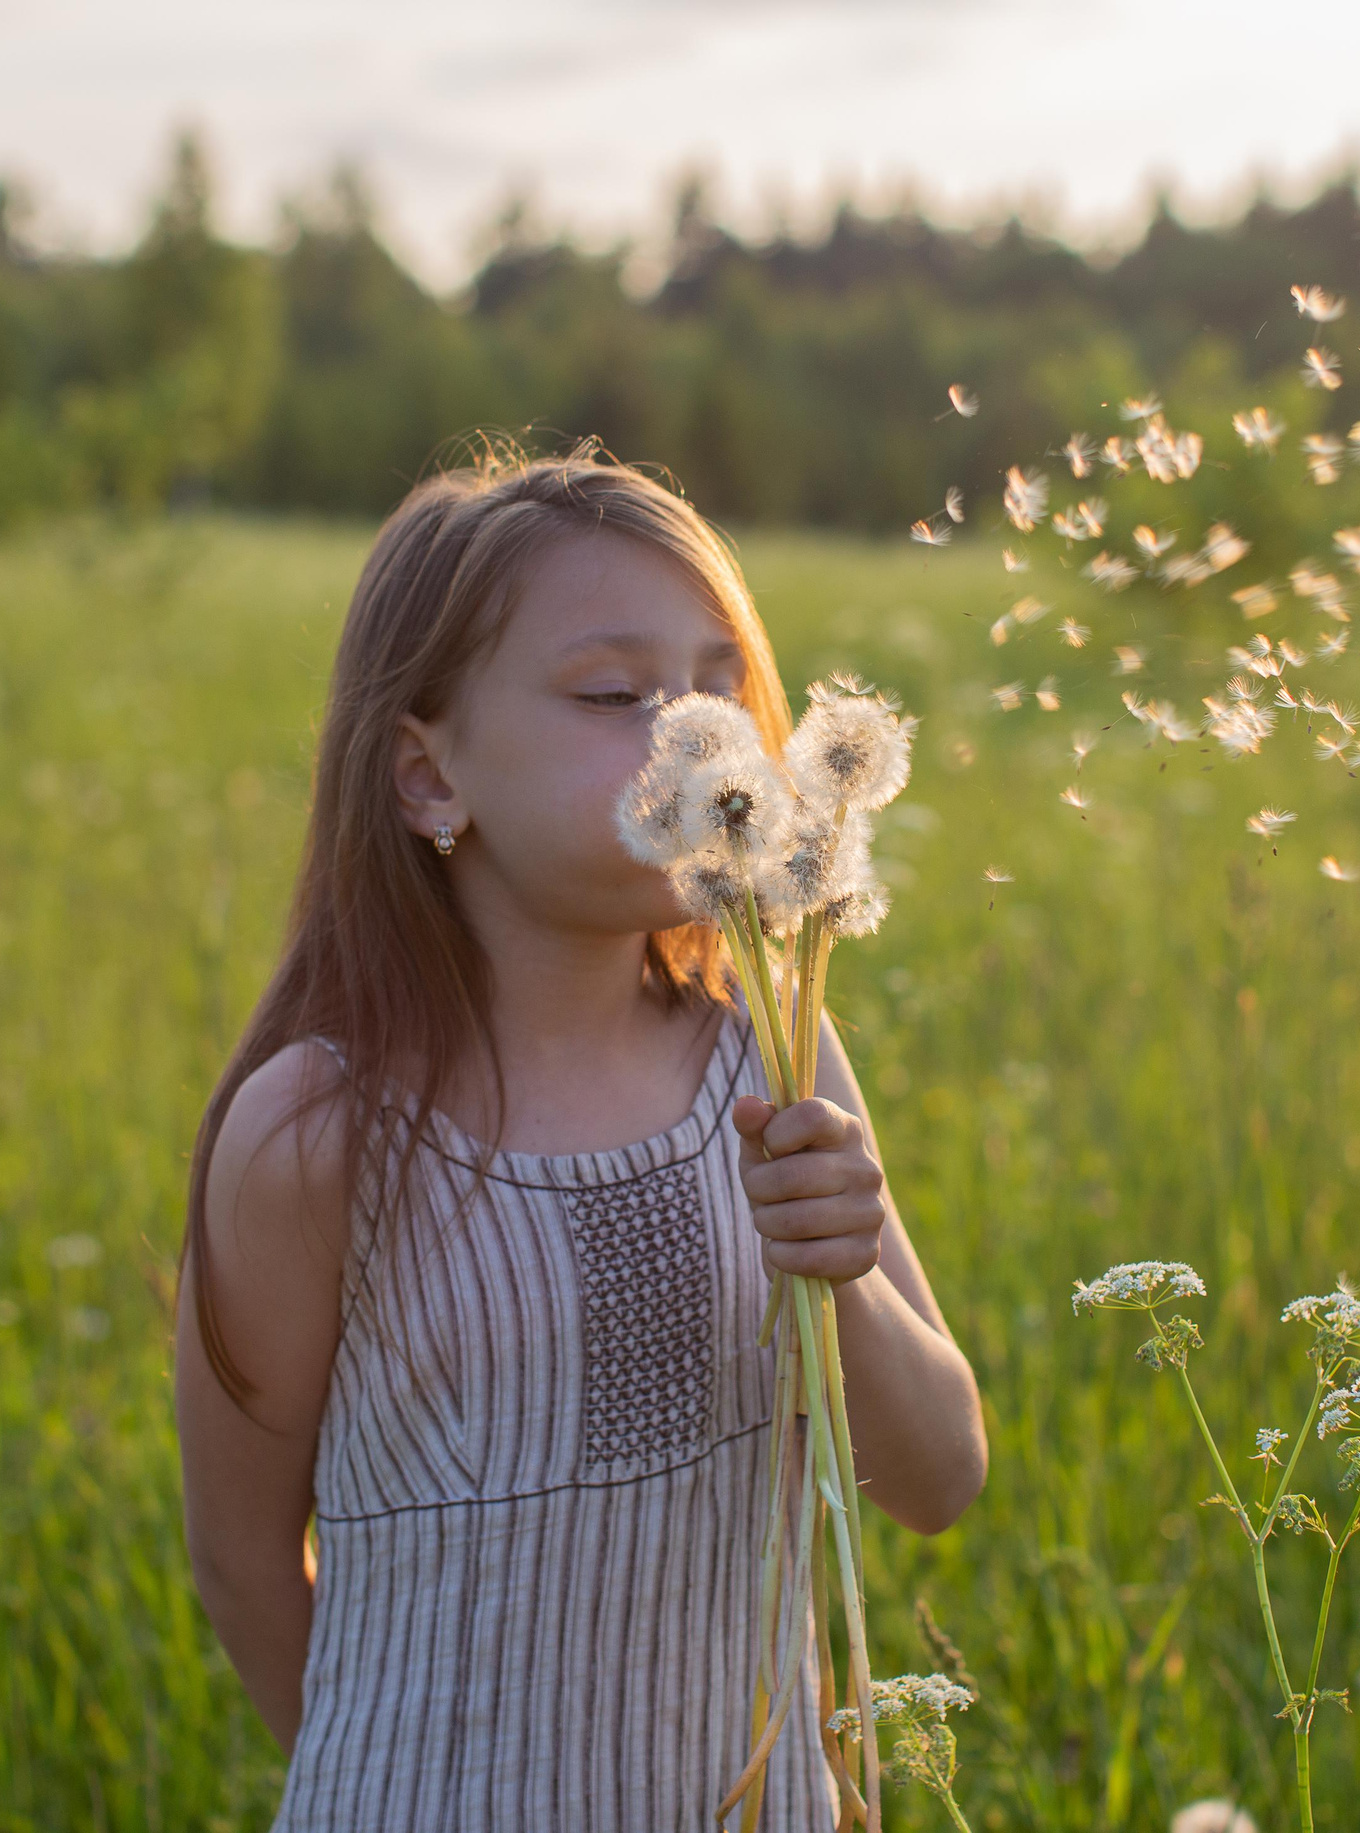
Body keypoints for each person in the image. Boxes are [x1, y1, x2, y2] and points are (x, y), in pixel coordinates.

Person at [171, 440, 987, 1830]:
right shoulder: (316, 1136)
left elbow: (938, 1475)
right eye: (615, 693)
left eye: (722, 684)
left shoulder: (773, 1044)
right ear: (430, 778)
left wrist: (841, 1268)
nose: (698, 735)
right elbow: (243, 1557)